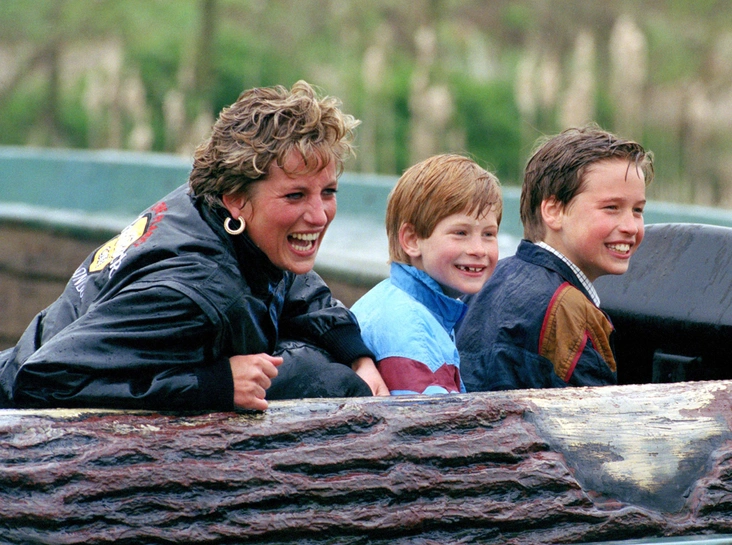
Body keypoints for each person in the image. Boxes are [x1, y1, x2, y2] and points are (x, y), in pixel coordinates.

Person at [0, 80, 389, 411]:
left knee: (325, 367)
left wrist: (356, 354)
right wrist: (214, 384)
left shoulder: (213, 210)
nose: (319, 215)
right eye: (295, 196)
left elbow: (291, 281)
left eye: (329, 192)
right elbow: (41, 379)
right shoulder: (195, 291)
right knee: (327, 382)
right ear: (236, 199)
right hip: (21, 427)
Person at [456, 124, 654, 392]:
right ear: (553, 211)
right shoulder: (572, 312)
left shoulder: (487, 280)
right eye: (611, 207)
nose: (631, 226)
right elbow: (594, 415)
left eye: (638, 210)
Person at [351, 154, 502, 395]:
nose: (479, 250)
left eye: (488, 234)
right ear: (412, 240)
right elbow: (428, 418)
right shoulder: (413, 333)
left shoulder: (396, 300)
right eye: (460, 233)